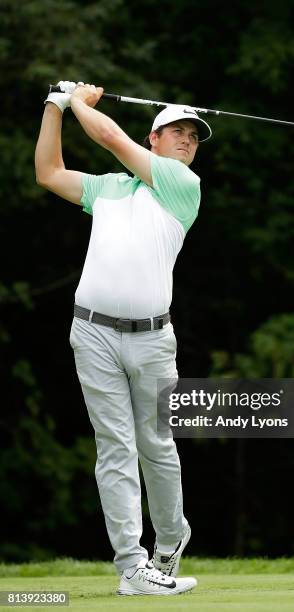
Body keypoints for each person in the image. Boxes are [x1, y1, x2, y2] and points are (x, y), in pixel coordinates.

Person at [34, 80, 212, 596]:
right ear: (153, 137)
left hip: (154, 341)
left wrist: (77, 102)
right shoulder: (109, 189)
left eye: (193, 136)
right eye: (176, 132)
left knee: (155, 445)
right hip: (92, 334)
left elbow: (111, 137)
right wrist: (54, 107)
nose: (186, 141)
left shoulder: (182, 185)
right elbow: (48, 173)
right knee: (114, 449)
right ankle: (132, 569)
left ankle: (172, 539)